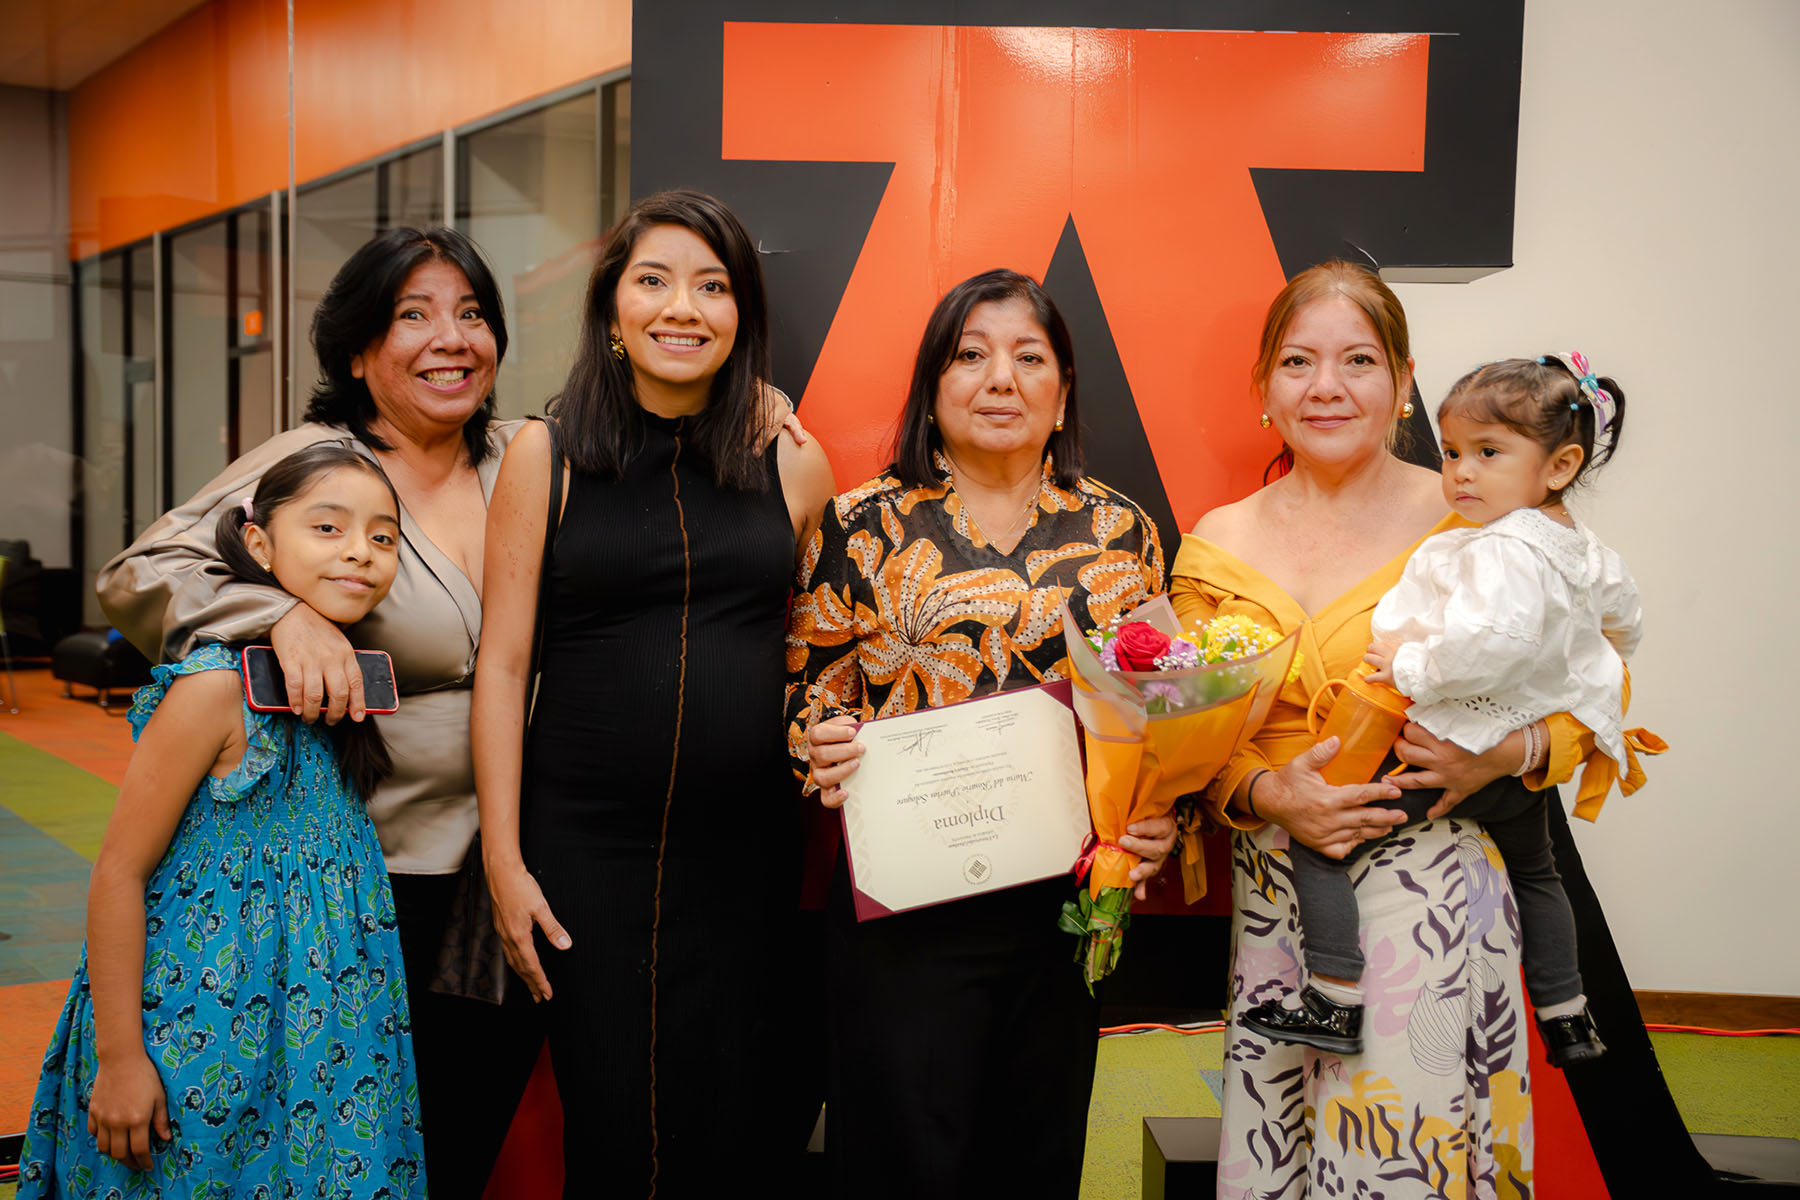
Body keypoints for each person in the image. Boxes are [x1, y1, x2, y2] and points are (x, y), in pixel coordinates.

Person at [97, 227, 561, 1196]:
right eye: (414, 315)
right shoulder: (322, 464)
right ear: (358, 351)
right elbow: (140, 573)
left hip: (507, 863)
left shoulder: (525, 454)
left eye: (473, 313)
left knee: (462, 1132)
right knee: (352, 1137)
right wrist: (280, 613)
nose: (452, 337)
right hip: (360, 872)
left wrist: (761, 405)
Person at [1170, 261, 1618, 1198]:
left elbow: (1596, 680)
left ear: (1404, 380)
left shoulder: (1477, 517)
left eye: (1358, 361)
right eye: (1298, 361)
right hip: (1279, 901)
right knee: (1276, 1170)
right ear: (1264, 387)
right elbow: (1186, 738)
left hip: (1436, 904)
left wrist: (1508, 752)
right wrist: (1263, 792)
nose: (1326, 387)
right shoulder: (1216, 539)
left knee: (1408, 1170)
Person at [470, 189, 837, 1195]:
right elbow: (503, 667)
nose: (684, 307)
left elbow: (822, 657)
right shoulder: (544, 458)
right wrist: (504, 860)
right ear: (613, 312)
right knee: (613, 1133)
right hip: (583, 852)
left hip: (744, 859)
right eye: (654, 281)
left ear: (741, 315)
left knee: (733, 1131)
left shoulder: (794, 464)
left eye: (712, 286)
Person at [788, 268, 1176, 1199]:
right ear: (932, 384)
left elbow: (1162, 724)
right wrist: (822, 748)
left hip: (1065, 915)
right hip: (901, 915)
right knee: (896, 1162)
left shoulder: (1123, 534)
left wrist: (1161, 816)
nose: (1000, 379)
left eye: (1028, 357)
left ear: (1063, 387)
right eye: (971, 355)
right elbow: (807, 702)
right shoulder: (858, 525)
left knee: (1036, 1160)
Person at [21, 445, 425, 1197]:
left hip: (327, 1028)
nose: (360, 553)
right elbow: (119, 872)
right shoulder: (212, 689)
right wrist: (120, 1057)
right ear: (260, 545)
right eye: (328, 528)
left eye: (383, 536)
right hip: (198, 1022)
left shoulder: (341, 684)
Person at [1244, 352, 1647, 1070]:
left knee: (1320, 842)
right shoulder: (1586, 554)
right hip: (1514, 774)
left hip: (1451, 744)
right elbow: (1624, 631)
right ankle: (1567, 1013)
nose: (1460, 471)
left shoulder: (1502, 549)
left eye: (1488, 453)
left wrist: (1405, 661)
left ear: (1558, 467)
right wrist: (1561, 678)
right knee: (1540, 873)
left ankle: (1334, 996)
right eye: (1454, 451)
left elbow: (1484, 648)